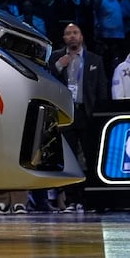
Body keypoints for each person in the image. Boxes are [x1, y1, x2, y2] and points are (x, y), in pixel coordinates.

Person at [49, 22, 106, 212]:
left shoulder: (95, 60)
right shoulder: (56, 57)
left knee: (91, 157)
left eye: (75, 32)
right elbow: (46, 81)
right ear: (64, 38)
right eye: (68, 33)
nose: (72, 36)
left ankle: (90, 199)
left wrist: (100, 115)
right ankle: (72, 200)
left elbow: (101, 90)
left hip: (86, 113)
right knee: (69, 158)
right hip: (66, 113)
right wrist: (58, 67)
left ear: (81, 37)